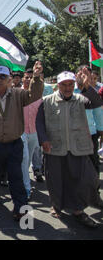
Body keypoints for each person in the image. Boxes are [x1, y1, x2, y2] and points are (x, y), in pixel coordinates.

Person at [0, 62, 44, 221]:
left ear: (10, 80)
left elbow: (35, 95)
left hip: (14, 144)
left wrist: (37, 77)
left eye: (3, 77)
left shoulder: (19, 94)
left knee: (16, 176)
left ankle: (20, 207)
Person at [36, 69, 103, 228]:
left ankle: (78, 209)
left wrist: (86, 87)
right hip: (55, 148)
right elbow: (39, 122)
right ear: (58, 85)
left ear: (74, 85)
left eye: (70, 84)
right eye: (64, 85)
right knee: (56, 180)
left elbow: (97, 103)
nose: (67, 88)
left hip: (78, 147)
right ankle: (57, 205)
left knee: (84, 179)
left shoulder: (81, 98)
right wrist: (43, 139)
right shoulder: (46, 101)